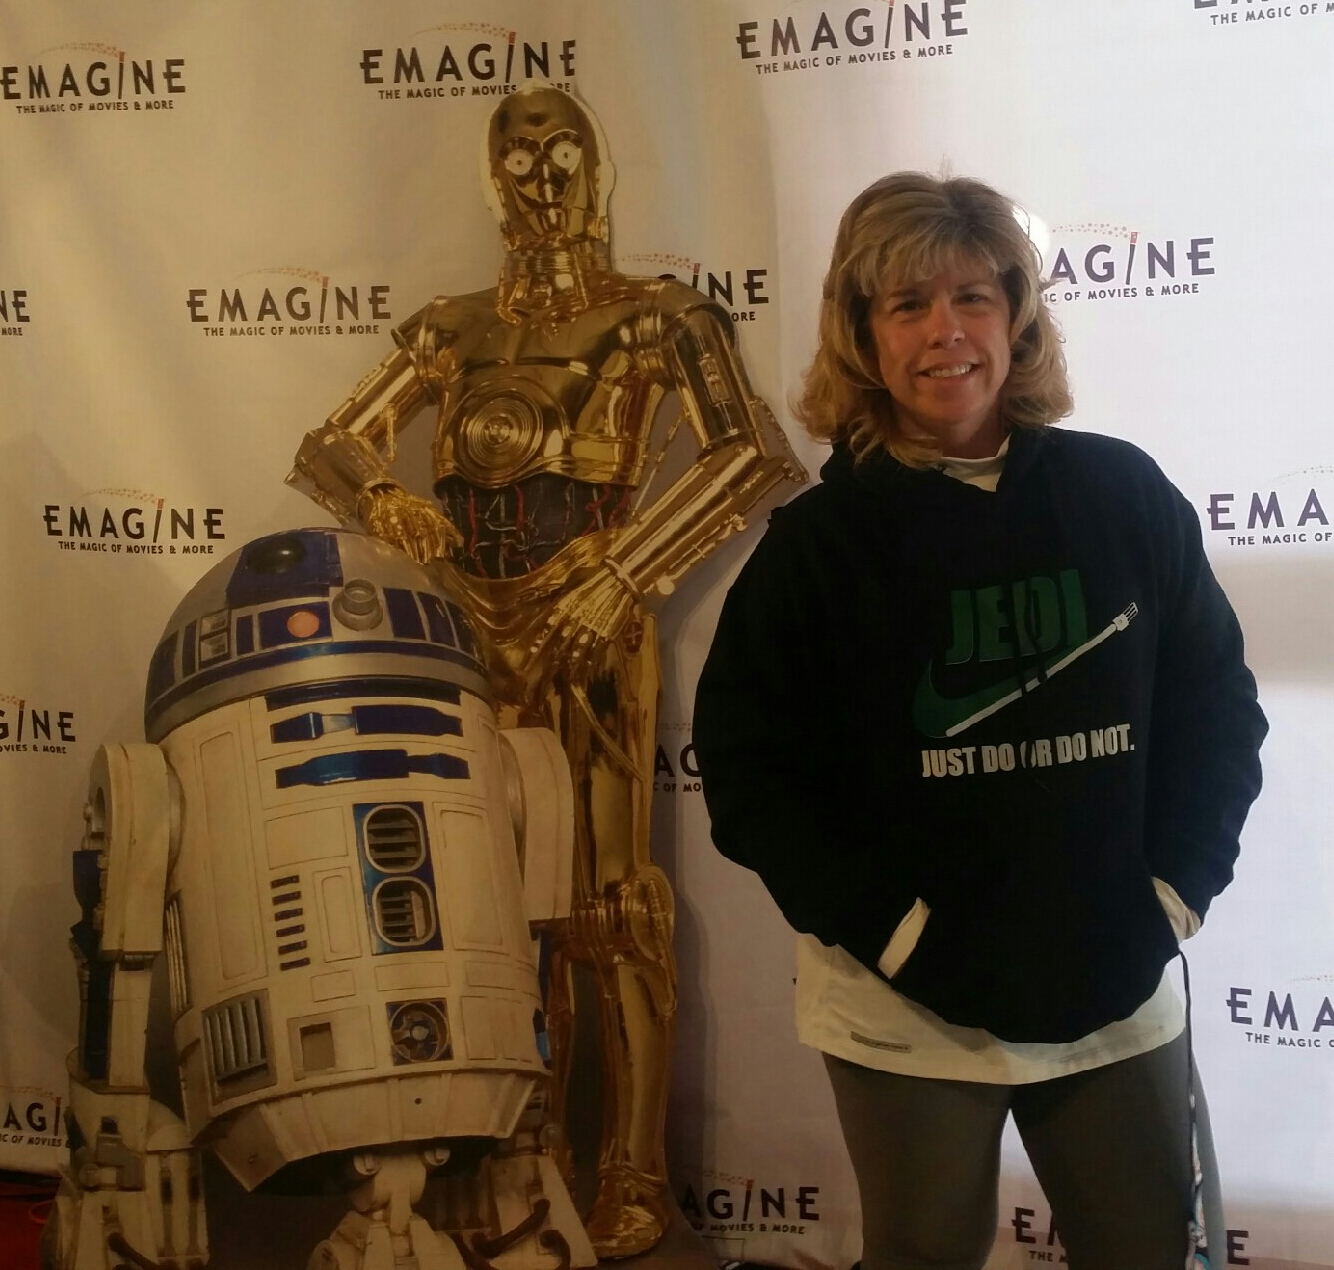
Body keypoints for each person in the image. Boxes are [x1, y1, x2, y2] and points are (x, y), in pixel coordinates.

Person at [692, 173, 1266, 1270]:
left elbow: (1216, 711)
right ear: (862, 334)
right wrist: (899, 934)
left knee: (1141, 1248)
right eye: (907, 304)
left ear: (1015, 317)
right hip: (905, 1008)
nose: (944, 331)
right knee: (923, 1254)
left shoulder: (1123, 493)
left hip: (1114, 981)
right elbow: (750, 774)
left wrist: (1171, 896)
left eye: (972, 297)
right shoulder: (815, 549)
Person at [289, 85, 804, 1254]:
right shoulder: (449, 327)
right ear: (491, 177)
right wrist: (386, 502)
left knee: (609, 906)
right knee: (484, 902)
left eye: (561, 148)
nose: (541, 175)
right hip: (463, 624)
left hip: (587, 620)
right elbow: (331, 442)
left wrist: (622, 571)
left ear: (597, 165)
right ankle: (523, 1155)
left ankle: (630, 1164)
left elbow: (748, 452)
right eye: (516, 155)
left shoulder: (654, 316)